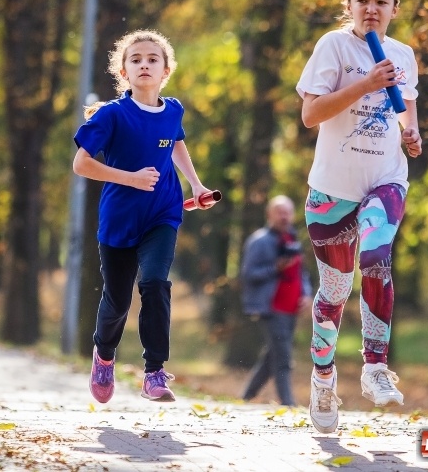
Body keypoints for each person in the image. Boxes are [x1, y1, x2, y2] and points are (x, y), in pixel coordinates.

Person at [295, 0, 423, 434]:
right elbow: (311, 114)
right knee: (333, 290)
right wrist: (365, 84)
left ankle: (374, 366)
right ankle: (323, 378)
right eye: (363, 0)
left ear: (394, 9)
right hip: (332, 191)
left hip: (385, 179)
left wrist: (413, 135)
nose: (372, 9)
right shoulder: (333, 46)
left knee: (376, 255)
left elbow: (406, 110)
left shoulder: (403, 55)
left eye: (381, 2)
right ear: (349, 4)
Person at [73, 30, 213, 404]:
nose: (144, 64)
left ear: (166, 70)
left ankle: (154, 372)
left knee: (154, 282)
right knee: (117, 300)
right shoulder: (112, 115)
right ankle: (104, 356)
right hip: (120, 218)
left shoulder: (174, 110)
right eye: (136, 59)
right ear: (124, 71)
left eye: (153, 59)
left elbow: (176, 142)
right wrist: (130, 179)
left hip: (162, 212)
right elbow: (81, 164)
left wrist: (196, 186)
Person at [240, 195, 312, 407]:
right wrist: (275, 268)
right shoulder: (259, 241)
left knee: (272, 356)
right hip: (271, 308)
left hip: (291, 309)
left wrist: (306, 294)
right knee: (283, 358)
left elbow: (302, 273)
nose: (284, 216)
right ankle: (288, 404)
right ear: (269, 214)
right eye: (279, 212)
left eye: (287, 212)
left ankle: (246, 397)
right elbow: (248, 274)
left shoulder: (292, 239)